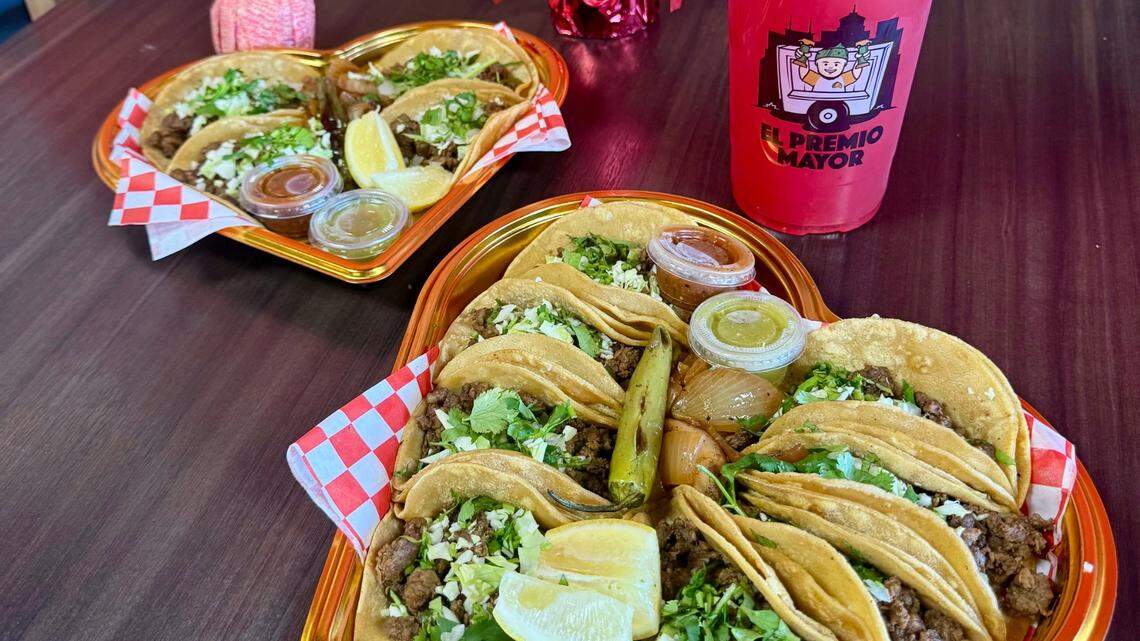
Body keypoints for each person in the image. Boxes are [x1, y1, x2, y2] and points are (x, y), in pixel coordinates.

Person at [792, 39, 872, 91]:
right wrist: (803, 57)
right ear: (817, 64)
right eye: (825, 64)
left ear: (844, 65)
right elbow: (804, 74)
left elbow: (855, 73)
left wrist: (861, 58)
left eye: (836, 64)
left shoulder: (843, 78)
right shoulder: (816, 78)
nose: (830, 67)